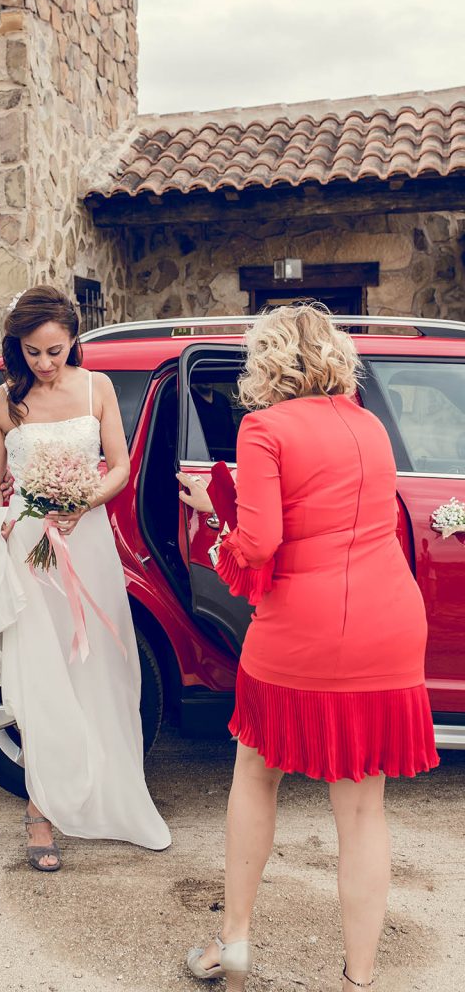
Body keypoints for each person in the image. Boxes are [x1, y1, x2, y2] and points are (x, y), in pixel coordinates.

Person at [177, 303, 438, 989]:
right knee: (361, 810)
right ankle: (360, 976)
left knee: (256, 776)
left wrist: (217, 522)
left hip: (304, 629)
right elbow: (329, 517)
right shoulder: (370, 425)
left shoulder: (264, 427)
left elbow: (262, 545)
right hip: (388, 625)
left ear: (267, 362)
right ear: (334, 358)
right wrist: (228, 505)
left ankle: (233, 942)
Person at [0, 286, 170, 871]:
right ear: (18, 348)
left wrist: (83, 498)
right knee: (38, 677)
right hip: (26, 547)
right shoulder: (0, 403)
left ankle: (110, 794)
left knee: (99, 669)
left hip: (86, 545)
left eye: (55, 351)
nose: (44, 363)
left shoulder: (98, 389)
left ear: (73, 343)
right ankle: (40, 810)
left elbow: (119, 466)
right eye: (33, 352)